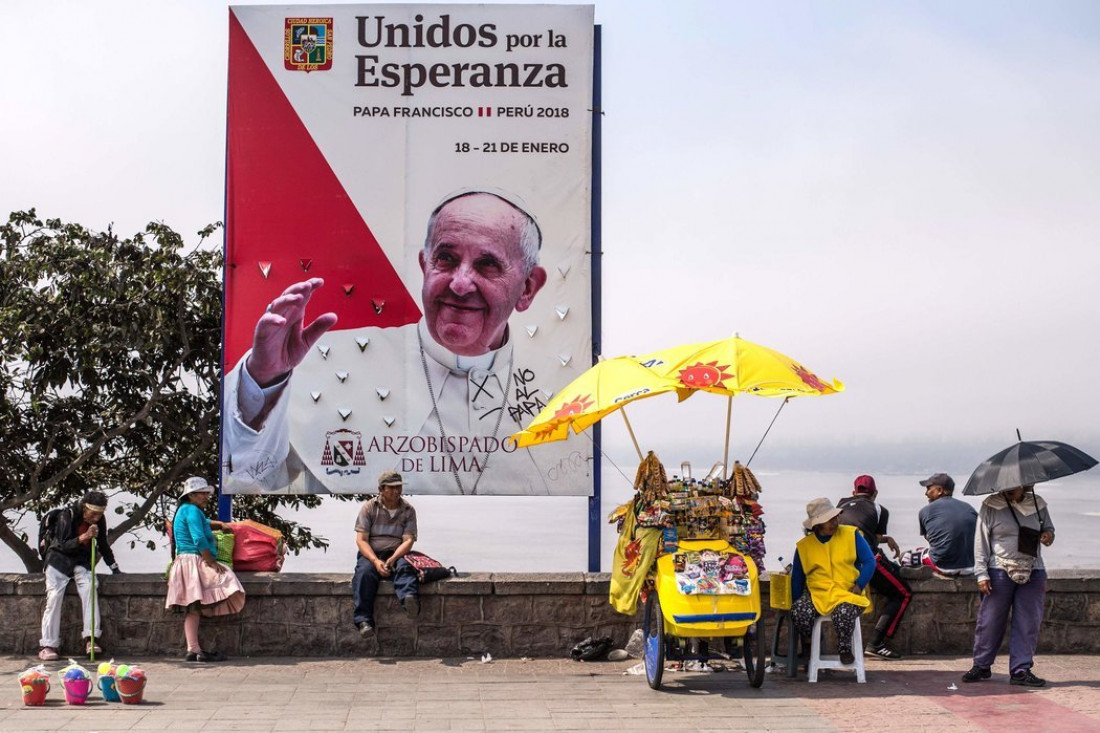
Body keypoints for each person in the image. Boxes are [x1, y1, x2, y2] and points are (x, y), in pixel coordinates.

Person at [222, 190, 587, 496]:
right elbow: (251, 474)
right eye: (446, 259)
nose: (460, 284)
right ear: (425, 266)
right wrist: (263, 380)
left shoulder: (562, 396)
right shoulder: (325, 361)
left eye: (487, 265)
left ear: (527, 288)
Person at [963, 484, 1054, 687]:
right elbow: (981, 541)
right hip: (999, 569)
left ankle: (1021, 670)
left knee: (1028, 622)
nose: (1009, 488)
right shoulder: (991, 505)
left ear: (1025, 485)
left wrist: (1048, 535)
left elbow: (1049, 529)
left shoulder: (1038, 504)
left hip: (1033, 569)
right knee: (990, 620)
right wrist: (981, 574)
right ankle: (982, 665)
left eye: (1015, 485)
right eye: (1007, 485)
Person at [165, 477, 246, 662]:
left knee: (194, 609)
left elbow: (204, 522)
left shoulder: (185, 510)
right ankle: (194, 649)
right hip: (194, 560)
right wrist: (210, 561)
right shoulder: (192, 511)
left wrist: (218, 524)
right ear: (191, 495)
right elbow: (199, 538)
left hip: (184, 561)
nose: (206, 496)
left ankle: (193, 649)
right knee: (225, 578)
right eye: (202, 493)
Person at [790, 497, 874, 666]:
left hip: (847, 592)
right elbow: (797, 578)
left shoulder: (852, 534)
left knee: (843, 612)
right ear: (817, 525)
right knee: (799, 611)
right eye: (828, 520)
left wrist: (859, 584)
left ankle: (844, 647)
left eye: (835, 518)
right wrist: (796, 601)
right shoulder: (804, 546)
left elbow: (870, 561)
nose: (834, 523)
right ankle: (808, 645)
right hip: (818, 595)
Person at [38, 491, 121, 661]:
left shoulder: (99, 520)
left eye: (100, 514)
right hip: (58, 560)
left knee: (90, 588)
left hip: (81, 561)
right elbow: (63, 544)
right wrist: (84, 537)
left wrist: (114, 567)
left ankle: (91, 639)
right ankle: (48, 644)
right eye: (93, 513)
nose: (96, 518)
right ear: (85, 508)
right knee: (54, 597)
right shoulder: (66, 516)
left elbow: (103, 544)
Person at [837, 474, 911, 660]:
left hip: (841, 561)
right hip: (866, 560)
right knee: (903, 593)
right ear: (875, 493)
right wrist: (886, 538)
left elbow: (862, 531)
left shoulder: (841, 505)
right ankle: (876, 642)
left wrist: (887, 540)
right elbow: (871, 537)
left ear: (853, 492)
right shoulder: (880, 509)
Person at [353, 470, 420, 636]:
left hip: (396, 551)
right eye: (392, 487)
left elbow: (408, 540)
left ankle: (409, 599)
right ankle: (364, 621)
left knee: (405, 567)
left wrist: (394, 558)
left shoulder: (408, 510)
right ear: (381, 489)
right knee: (364, 574)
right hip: (373, 552)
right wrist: (376, 561)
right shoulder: (369, 508)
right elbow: (361, 540)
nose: (397, 491)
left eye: (399, 487)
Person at [918, 473, 977, 575]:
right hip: (972, 566)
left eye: (928, 489)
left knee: (905, 557)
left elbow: (930, 538)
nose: (926, 493)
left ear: (940, 491)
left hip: (943, 566)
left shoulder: (925, 511)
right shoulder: (969, 508)